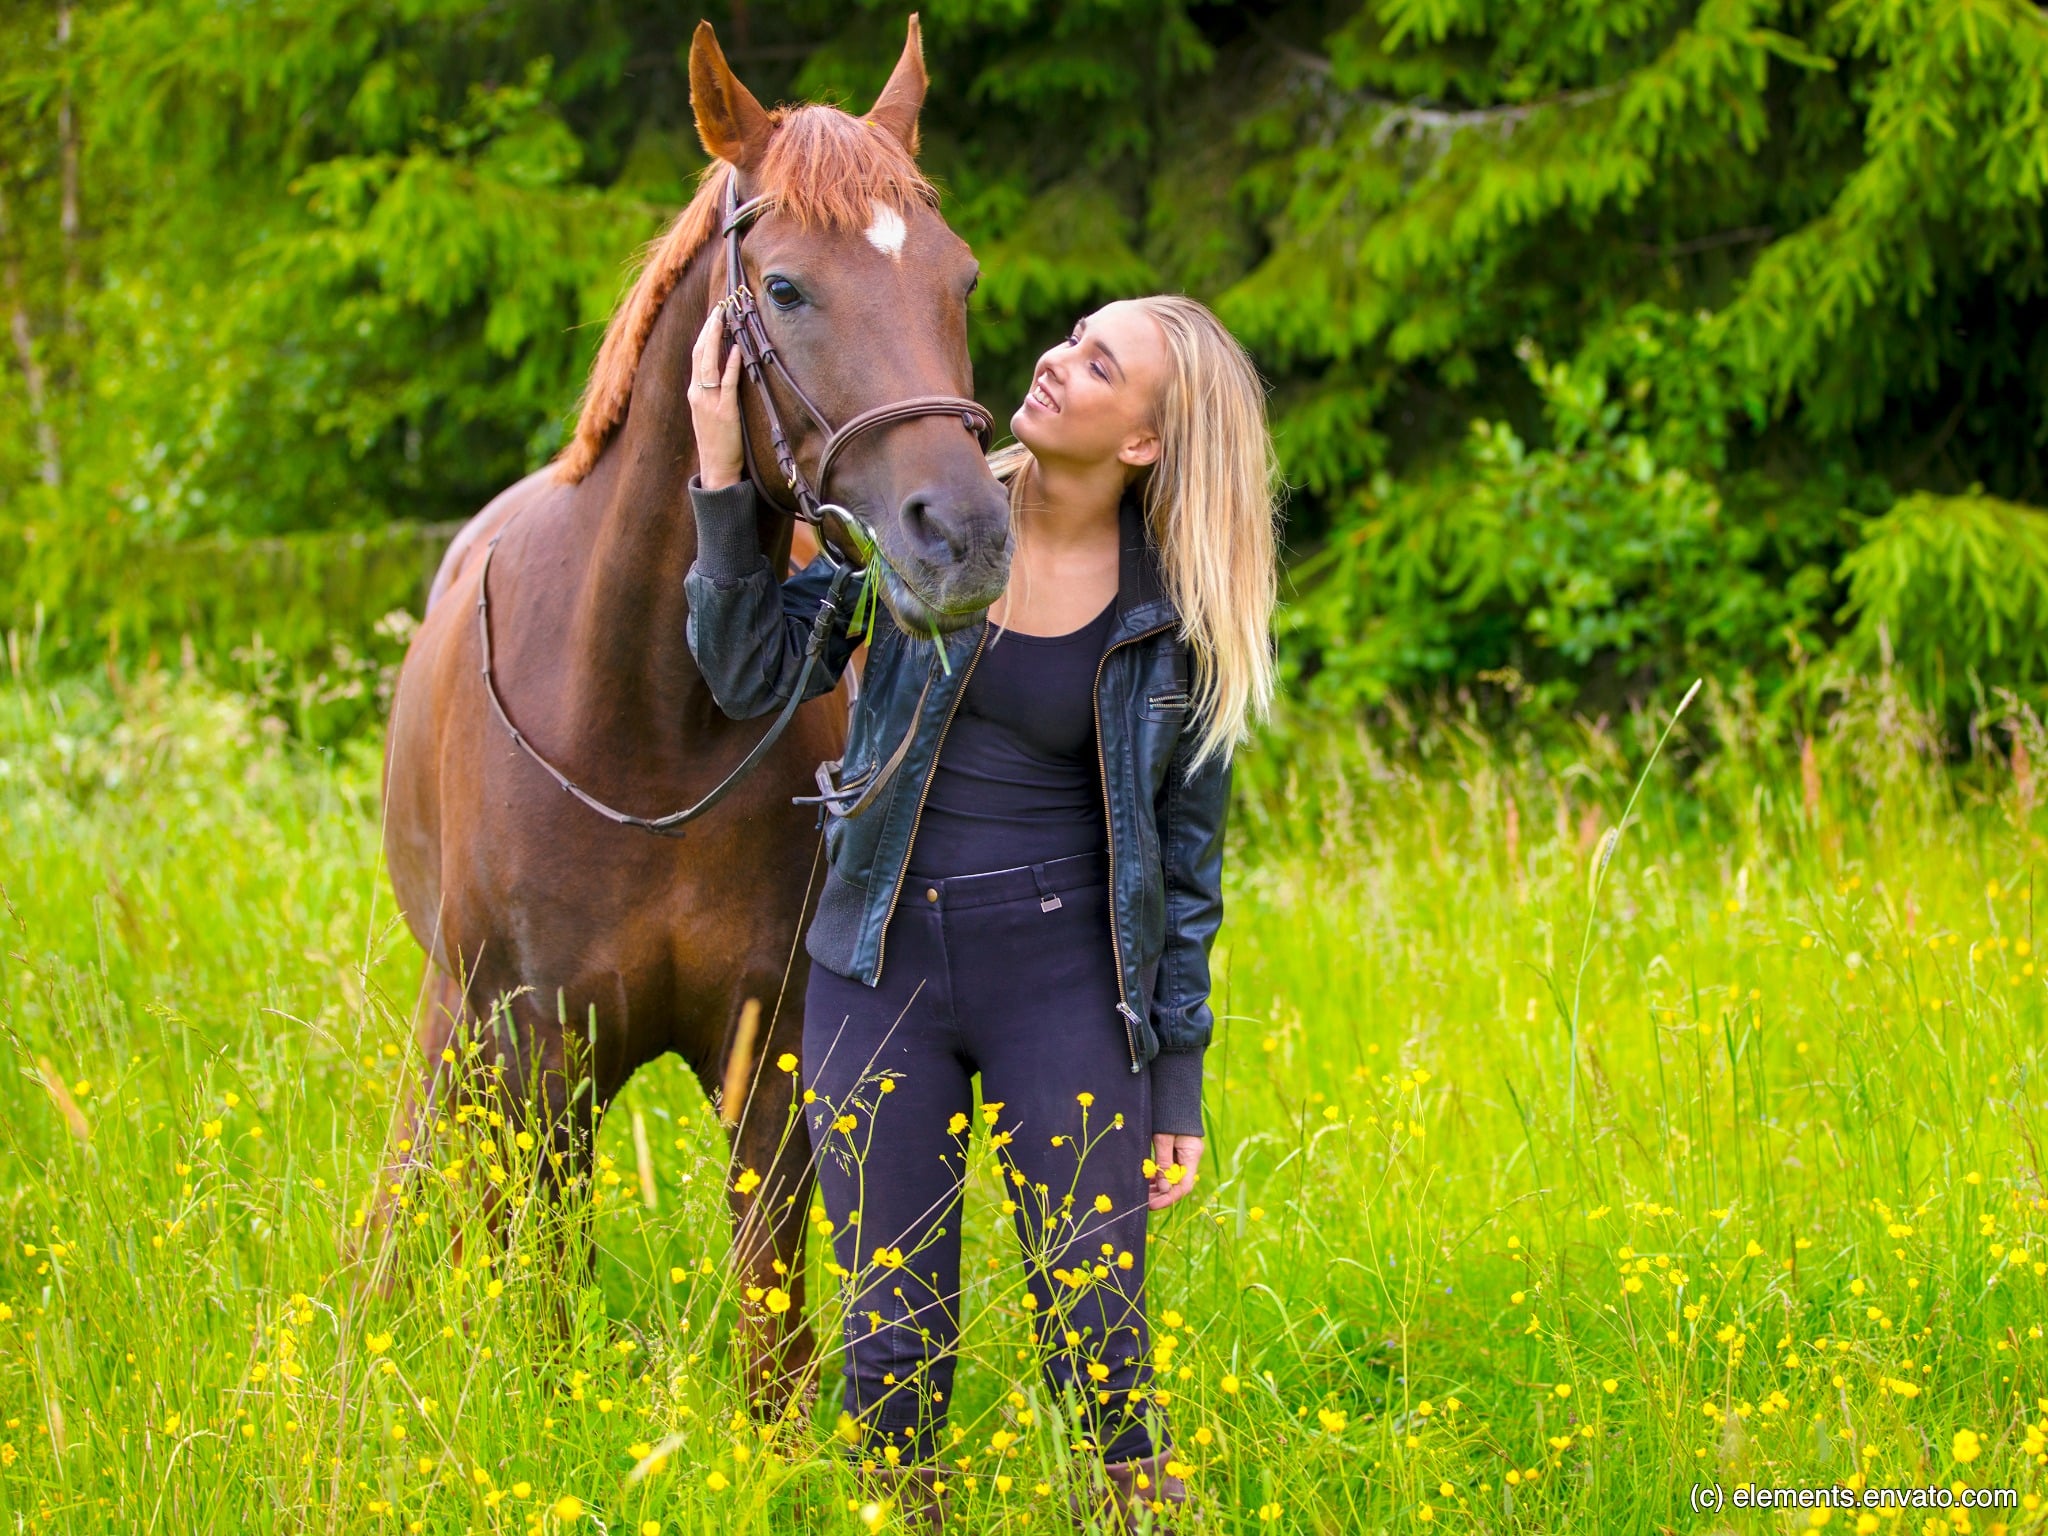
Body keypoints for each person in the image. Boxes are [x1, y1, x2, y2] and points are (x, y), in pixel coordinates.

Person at [682, 294, 1280, 1532]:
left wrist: (1175, 1083)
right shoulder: (927, 523)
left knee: (1100, 1340)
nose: (1057, 361)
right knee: (891, 1344)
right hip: (876, 964)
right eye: (1071, 336)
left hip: (1061, 976)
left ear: (1146, 444)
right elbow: (746, 673)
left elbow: (1187, 867)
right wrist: (721, 470)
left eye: (1098, 363)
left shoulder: (1176, 616)